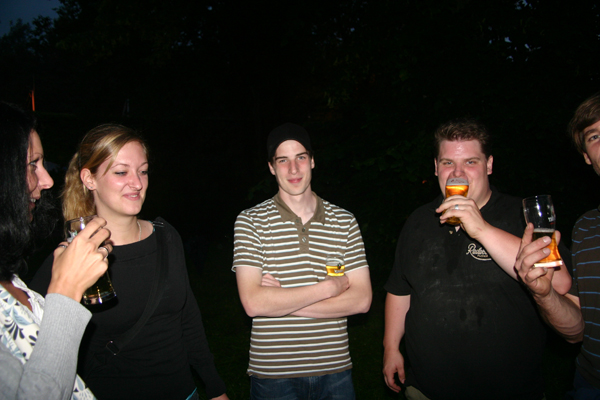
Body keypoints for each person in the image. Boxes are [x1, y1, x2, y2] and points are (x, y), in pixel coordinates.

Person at [30, 124, 229, 400]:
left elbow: (188, 319)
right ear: (89, 179)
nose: (137, 183)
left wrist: (215, 387)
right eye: (121, 172)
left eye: (143, 171)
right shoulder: (72, 259)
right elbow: (33, 345)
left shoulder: (166, 236)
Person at [382, 118, 572, 400]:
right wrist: (390, 348)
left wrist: (482, 228)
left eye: (470, 162)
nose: (457, 173)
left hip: (509, 391)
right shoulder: (419, 220)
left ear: (489, 165)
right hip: (427, 389)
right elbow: (400, 290)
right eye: (448, 163)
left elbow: (560, 283)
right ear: (435, 167)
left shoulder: (521, 216)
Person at [232, 123, 372, 399]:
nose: (293, 169)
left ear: (312, 161)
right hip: (273, 374)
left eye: (301, 157)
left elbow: (362, 300)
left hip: (335, 370)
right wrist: (328, 288)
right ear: (271, 167)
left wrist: (280, 301)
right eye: (283, 160)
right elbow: (253, 304)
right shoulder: (250, 221)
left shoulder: (344, 221)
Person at [0, 101, 112, 400]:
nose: (47, 180)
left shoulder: (9, 278)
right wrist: (66, 289)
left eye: (144, 171)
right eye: (31, 164)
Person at [515, 92, 600, 398]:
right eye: (594, 136)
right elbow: (577, 331)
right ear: (586, 156)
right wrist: (545, 294)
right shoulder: (586, 228)